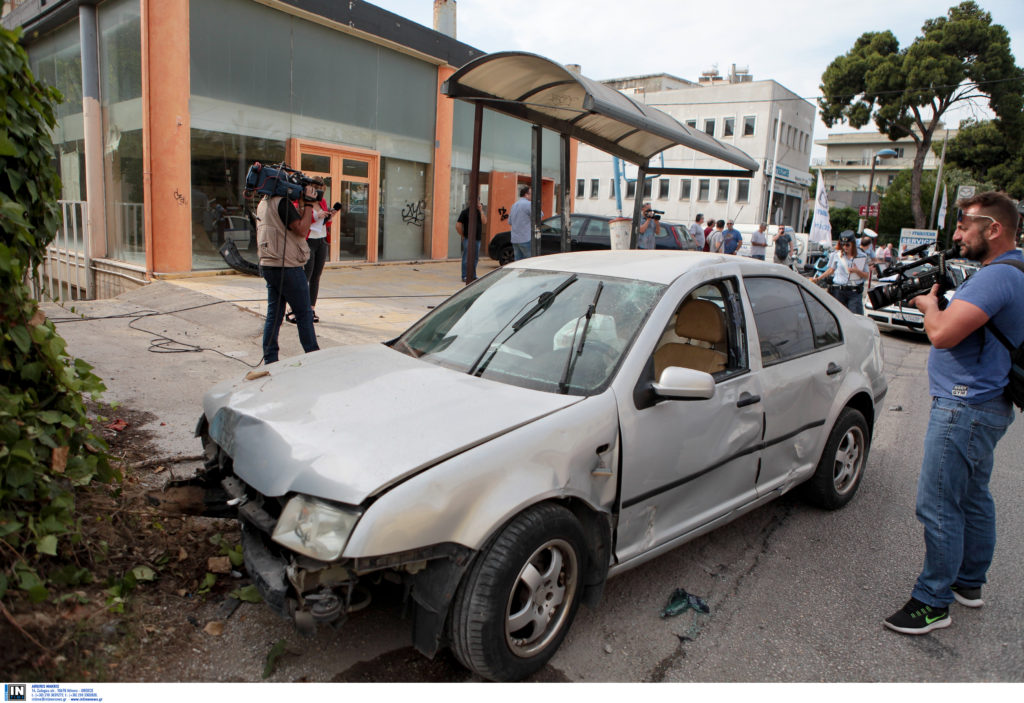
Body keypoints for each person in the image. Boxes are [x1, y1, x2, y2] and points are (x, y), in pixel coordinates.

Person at [884, 191, 1024, 636]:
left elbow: (942, 334)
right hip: (988, 404)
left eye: (965, 226)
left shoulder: (994, 277)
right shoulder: (1015, 269)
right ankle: (968, 582)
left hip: (965, 406)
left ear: (994, 228)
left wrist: (929, 307)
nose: (958, 234)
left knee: (939, 503)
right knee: (973, 496)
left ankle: (932, 601)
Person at [256, 183, 320, 365]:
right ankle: (314, 355)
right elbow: (301, 228)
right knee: (304, 313)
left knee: (274, 315)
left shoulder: (264, 202)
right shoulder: (282, 203)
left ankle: (270, 358)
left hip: (270, 264)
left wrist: (301, 206)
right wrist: (308, 204)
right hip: (287, 266)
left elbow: (289, 224)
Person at [811, 230, 869, 313]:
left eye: (847, 245)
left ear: (853, 244)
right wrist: (817, 279)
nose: (845, 247)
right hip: (838, 291)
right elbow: (831, 270)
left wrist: (857, 271)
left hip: (854, 292)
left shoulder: (861, 256)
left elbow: (866, 276)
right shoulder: (836, 255)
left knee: (855, 318)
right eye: (843, 244)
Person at [457, 198, 487, 282]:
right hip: (468, 238)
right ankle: (464, 275)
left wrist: (481, 211)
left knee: (475, 258)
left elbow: (484, 221)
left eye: (478, 201)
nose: (477, 203)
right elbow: (458, 225)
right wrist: (462, 235)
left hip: (477, 239)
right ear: (469, 202)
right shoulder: (465, 212)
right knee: (466, 257)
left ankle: (473, 275)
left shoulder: (479, 212)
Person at [509, 185, 537, 261]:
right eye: (532, 194)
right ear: (526, 194)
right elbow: (539, 216)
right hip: (526, 238)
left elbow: (510, 221)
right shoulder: (529, 204)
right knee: (529, 262)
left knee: (518, 262)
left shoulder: (514, 205)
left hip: (515, 239)